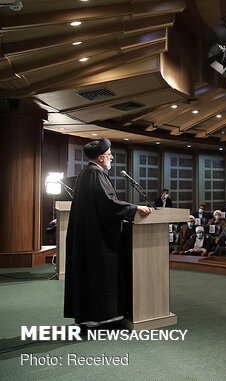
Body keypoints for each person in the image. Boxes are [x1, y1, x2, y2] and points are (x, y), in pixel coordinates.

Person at [64, 138, 152, 329]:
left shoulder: (88, 173)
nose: (112, 157)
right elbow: (108, 205)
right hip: (97, 239)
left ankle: (90, 314)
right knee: (99, 276)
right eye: (110, 154)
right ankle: (101, 314)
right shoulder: (95, 174)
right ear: (101, 157)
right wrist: (135, 208)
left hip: (89, 236)